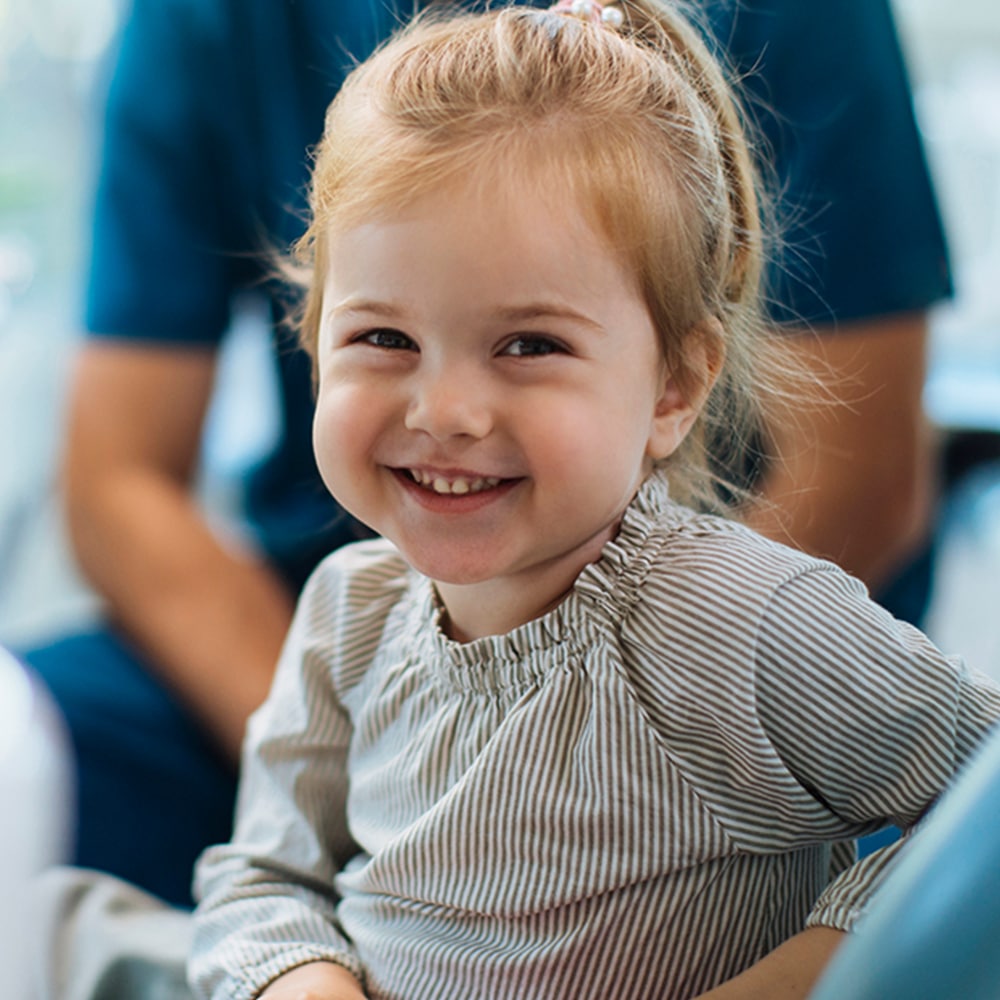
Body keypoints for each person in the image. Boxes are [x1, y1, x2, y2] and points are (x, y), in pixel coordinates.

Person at [20, 0, 951, 909]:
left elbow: (863, 471)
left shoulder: (752, 623)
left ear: (676, 386)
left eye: (530, 345)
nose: (448, 411)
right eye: (382, 339)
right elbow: (117, 481)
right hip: (345, 631)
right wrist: (390, 763)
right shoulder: (343, 619)